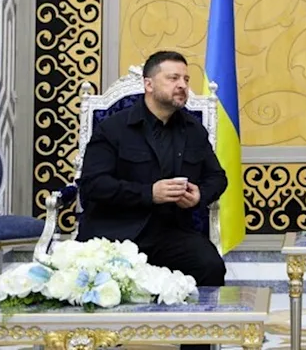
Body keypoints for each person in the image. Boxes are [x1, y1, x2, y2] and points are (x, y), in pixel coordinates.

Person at [77, 50, 228, 341]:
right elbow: (93, 185)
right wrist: (149, 193)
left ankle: (197, 345)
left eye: (185, 78)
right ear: (148, 84)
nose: (182, 85)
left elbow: (217, 177)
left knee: (210, 265)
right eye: (173, 78)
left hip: (170, 232)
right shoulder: (113, 128)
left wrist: (200, 195)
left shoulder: (193, 129)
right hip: (114, 234)